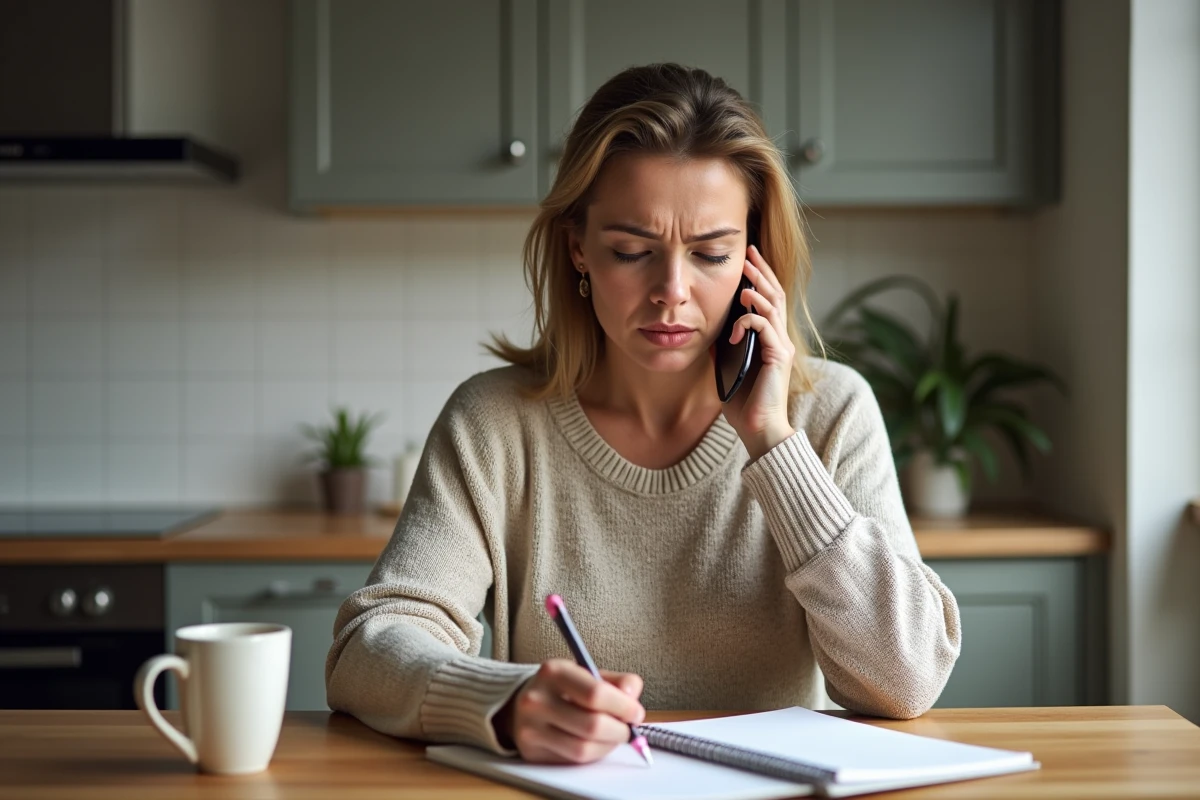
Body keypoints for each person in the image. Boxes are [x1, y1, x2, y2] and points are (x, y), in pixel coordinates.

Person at [326, 63, 961, 766]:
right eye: (633, 251)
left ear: (756, 257)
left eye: (712, 254)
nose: (672, 293)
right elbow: (369, 647)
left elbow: (907, 680)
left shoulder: (833, 412)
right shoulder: (494, 423)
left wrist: (774, 444)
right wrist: (498, 703)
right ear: (579, 248)